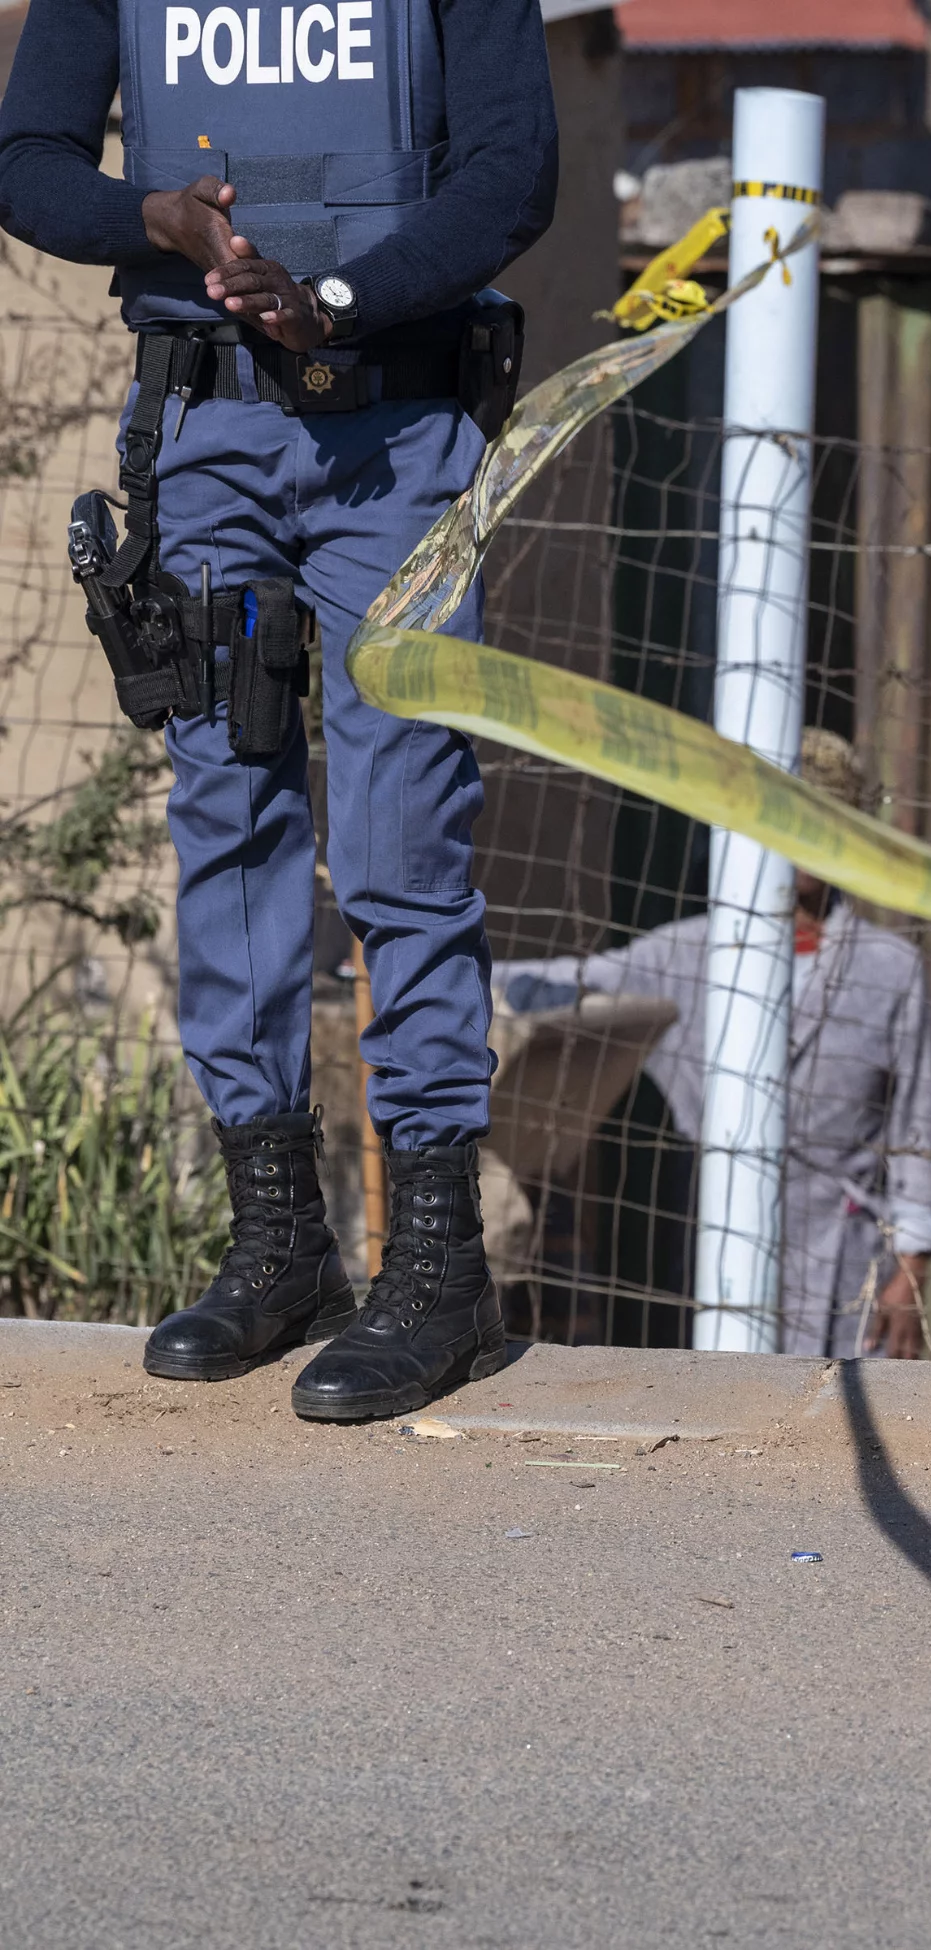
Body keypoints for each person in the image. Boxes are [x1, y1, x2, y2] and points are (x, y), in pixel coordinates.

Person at [0, 0, 556, 1419]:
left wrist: (350, 297)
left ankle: (434, 1270)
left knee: (402, 834)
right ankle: (278, 1242)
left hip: (394, 435)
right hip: (210, 432)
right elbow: (27, 156)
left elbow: (515, 169)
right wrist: (159, 223)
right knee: (230, 814)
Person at [494, 731, 931, 1361]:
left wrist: (911, 1272)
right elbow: (573, 982)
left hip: (846, 1268)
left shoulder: (890, 969)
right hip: (717, 1252)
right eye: (785, 819)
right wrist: (439, 970)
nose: (801, 841)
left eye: (822, 820)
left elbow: (916, 1129)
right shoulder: (689, 950)